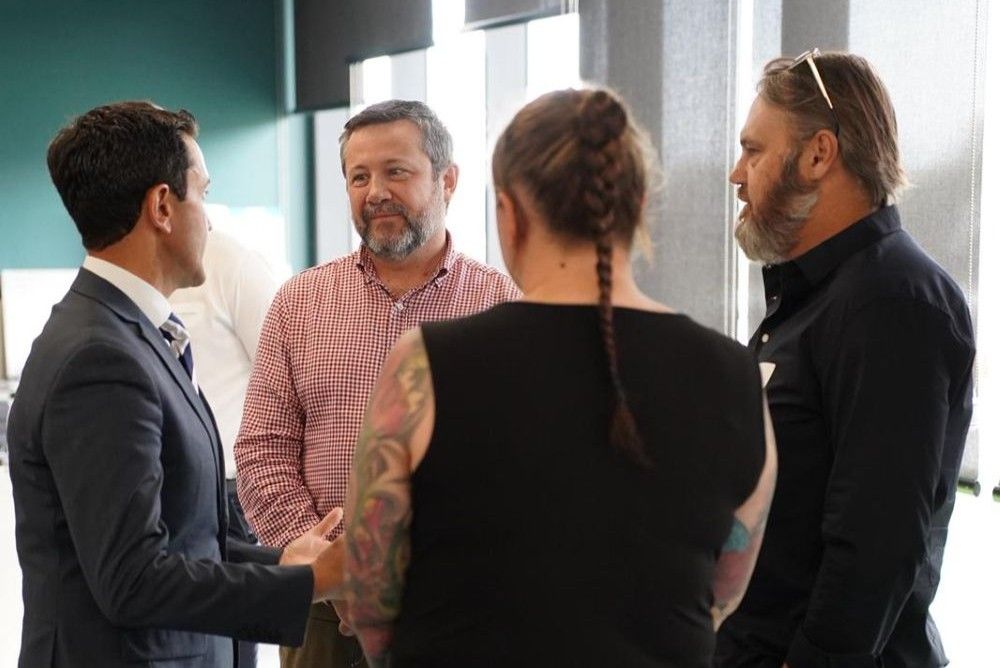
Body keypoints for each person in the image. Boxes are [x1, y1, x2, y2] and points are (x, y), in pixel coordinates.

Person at [338, 87, 778, 667]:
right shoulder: (735, 377)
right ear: (639, 204)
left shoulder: (425, 365)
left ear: (508, 213)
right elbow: (720, 593)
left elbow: (371, 602)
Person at [6, 101, 344, 668]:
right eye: (203, 194)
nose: (209, 221)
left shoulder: (121, 331)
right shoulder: (100, 358)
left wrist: (285, 563)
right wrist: (310, 584)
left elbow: (185, 536)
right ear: (162, 206)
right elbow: (133, 578)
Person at [235, 99, 520, 668]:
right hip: (322, 615)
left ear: (448, 181)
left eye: (396, 171)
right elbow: (262, 449)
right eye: (359, 177)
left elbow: (519, 463)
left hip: (455, 603)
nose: (376, 192)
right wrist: (330, 569)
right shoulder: (299, 303)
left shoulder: (500, 305)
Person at [716, 51, 976, 668]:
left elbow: (875, 543)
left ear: (818, 155)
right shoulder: (817, 297)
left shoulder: (891, 302)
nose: (736, 174)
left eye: (753, 151)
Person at [170, 228, 281, 668]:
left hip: (229, 496)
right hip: (166, 492)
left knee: (231, 651)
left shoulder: (234, 265)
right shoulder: (145, 276)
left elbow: (283, 381)